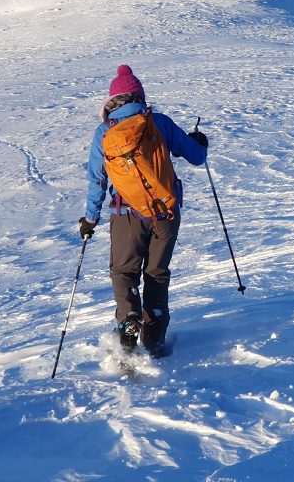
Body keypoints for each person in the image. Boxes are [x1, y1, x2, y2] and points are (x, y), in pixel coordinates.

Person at [77, 65, 208, 356]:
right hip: (166, 214)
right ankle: (155, 334)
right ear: (140, 96)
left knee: (124, 271)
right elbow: (197, 157)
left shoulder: (104, 132)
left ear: (112, 101)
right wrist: (198, 142)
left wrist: (90, 218)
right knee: (157, 273)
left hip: (126, 215)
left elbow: (97, 179)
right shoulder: (159, 122)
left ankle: (128, 323)